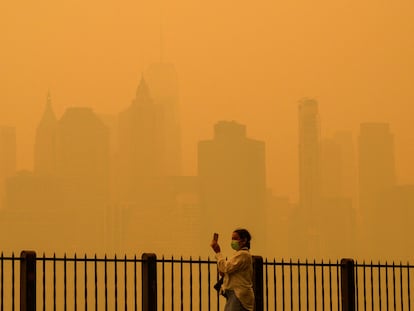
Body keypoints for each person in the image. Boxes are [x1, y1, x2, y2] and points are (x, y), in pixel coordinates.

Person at [210, 229, 255, 311]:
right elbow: (223, 271)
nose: (233, 241)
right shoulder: (237, 255)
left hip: (238, 294)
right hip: (233, 294)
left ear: (244, 240)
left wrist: (218, 252)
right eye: (232, 239)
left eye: (235, 238)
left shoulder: (243, 254)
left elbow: (225, 268)